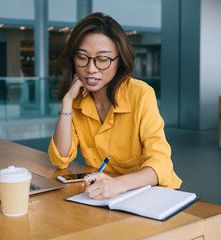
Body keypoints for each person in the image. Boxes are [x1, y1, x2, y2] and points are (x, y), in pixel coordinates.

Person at [48, 12, 182, 200]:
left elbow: (161, 163)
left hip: (149, 195)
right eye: (82, 57)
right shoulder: (77, 101)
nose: (91, 68)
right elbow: (60, 159)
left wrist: (118, 184)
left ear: (119, 61)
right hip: (106, 197)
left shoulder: (141, 94)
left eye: (102, 59)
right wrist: (67, 102)